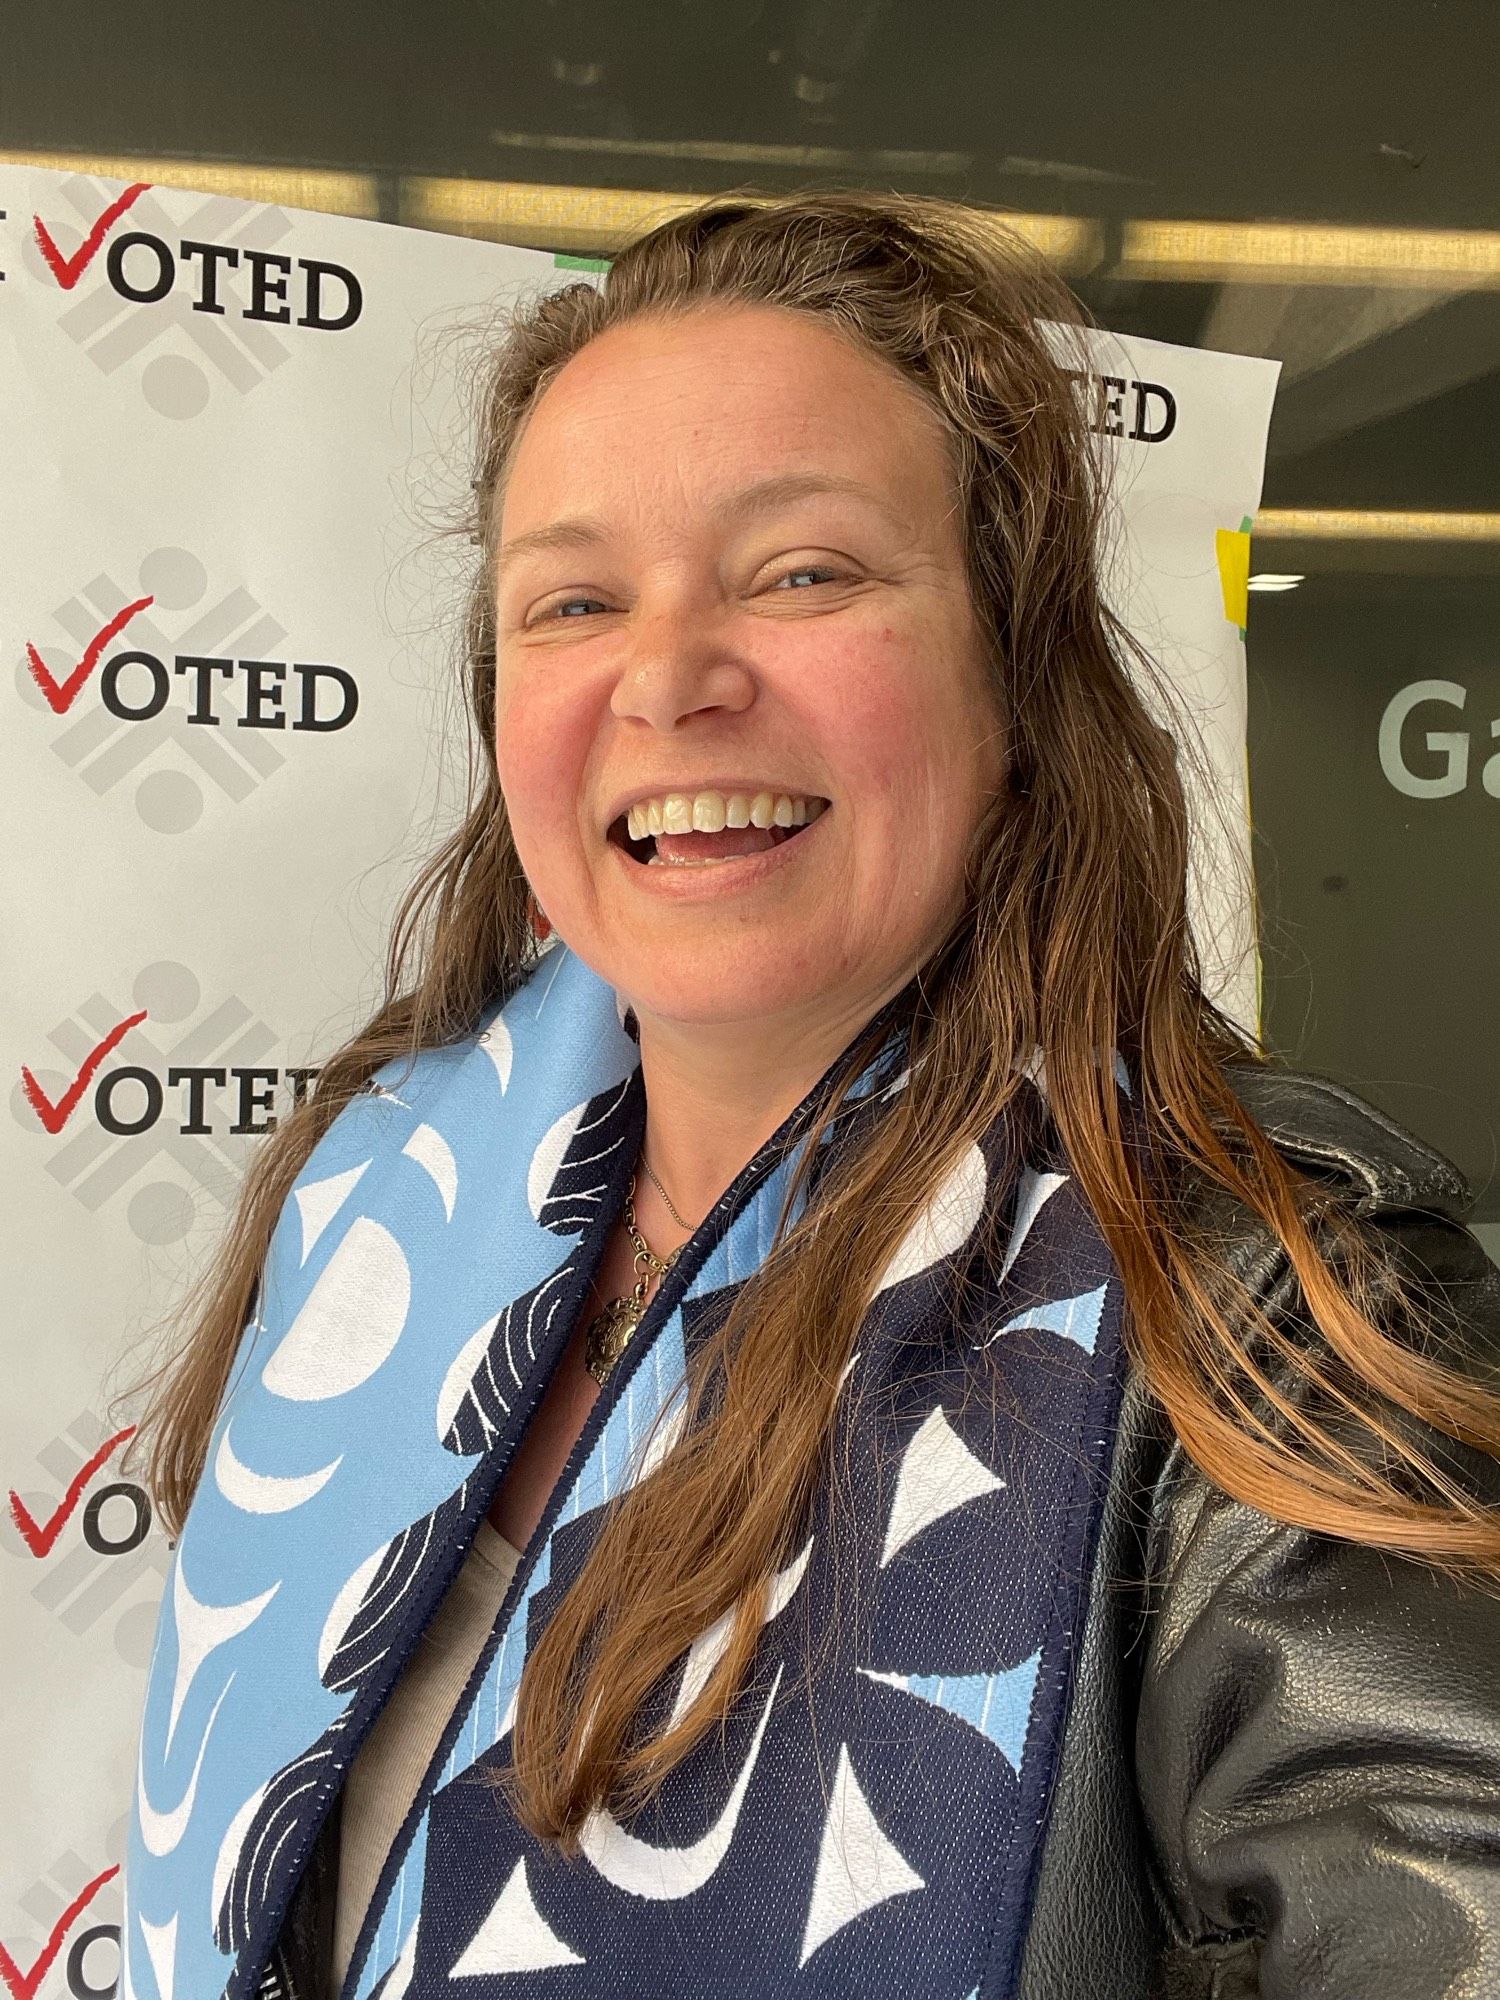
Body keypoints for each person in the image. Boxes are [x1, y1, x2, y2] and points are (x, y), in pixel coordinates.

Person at [120, 192, 1500, 2000]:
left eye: (805, 573)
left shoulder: (1270, 1305)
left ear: (1011, 679)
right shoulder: (372, 1190)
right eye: (577, 600)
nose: (672, 676)